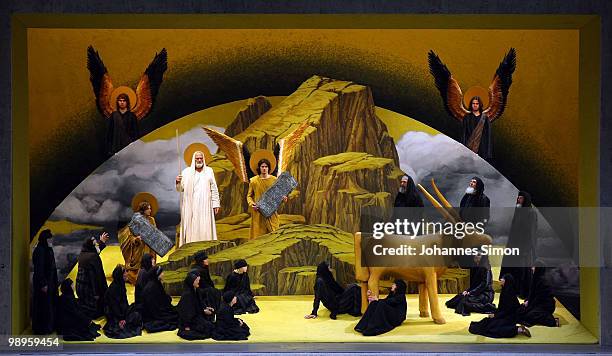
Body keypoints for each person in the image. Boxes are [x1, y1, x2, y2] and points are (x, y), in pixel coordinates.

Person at [176, 151, 221, 245]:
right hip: (191, 205)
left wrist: (216, 203)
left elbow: (214, 188)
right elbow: (180, 189)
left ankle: (206, 245)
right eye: (197, 158)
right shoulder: (186, 172)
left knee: (205, 226)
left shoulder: (209, 171)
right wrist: (177, 182)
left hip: (205, 204)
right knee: (192, 226)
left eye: (201, 158)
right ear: (194, 159)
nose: (199, 160)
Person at [500, 191, 538, 299]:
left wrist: (527, 249)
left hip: (524, 247)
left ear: (525, 200)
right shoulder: (518, 210)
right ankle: (513, 288)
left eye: (520, 198)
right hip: (514, 245)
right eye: (518, 198)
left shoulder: (531, 213)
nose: (518, 200)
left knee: (522, 270)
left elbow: (532, 233)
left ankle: (523, 291)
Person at [469, 274, 531, 338]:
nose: (500, 280)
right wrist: (495, 314)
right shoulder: (505, 291)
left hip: (509, 317)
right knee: (486, 322)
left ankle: (518, 329)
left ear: (507, 281)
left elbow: (508, 311)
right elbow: (502, 308)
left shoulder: (509, 294)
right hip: (503, 315)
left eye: (503, 279)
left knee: (493, 328)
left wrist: (496, 315)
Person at [246, 158, 287, 240]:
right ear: (259, 168)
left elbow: (278, 194)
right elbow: (249, 196)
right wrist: (252, 204)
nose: (264, 168)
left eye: (266, 166)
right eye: (262, 166)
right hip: (258, 212)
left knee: (273, 234)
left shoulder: (274, 180)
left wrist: (283, 198)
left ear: (268, 168)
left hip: (271, 211)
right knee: (258, 236)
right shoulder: (254, 181)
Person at [119, 201, 158, 285]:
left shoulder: (151, 219)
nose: (150, 210)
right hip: (139, 247)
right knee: (137, 267)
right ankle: (133, 278)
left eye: (150, 208)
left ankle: (149, 279)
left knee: (149, 264)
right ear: (143, 210)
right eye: (148, 208)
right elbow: (130, 236)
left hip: (149, 246)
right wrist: (136, 239)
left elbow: (155, 232)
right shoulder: (136, 220)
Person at [103, 265, 142, 339]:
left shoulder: (120, 284)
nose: (127, 274)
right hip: (115, 314)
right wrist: (121, 319)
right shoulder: (115, 288)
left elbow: (124, 301)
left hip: (121, 311)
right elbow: (114, 307)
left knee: (137, 308)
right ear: (120, 275)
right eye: (125, 272)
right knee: (135, 317)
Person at [76, 232, 109, 319]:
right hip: (90, 288)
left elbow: (95, 250)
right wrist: (97, 292)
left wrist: (102, 242)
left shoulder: (83, 254)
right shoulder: (93, 257)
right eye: (95, 243)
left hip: (81, 287)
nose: (97, 244)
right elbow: (96, 277)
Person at [517, 261, 560, 327]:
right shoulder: (536, 279)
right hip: (537, 304)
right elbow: (532, 294)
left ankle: (552, 321)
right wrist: (527, 301)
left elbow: (540, 298)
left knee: (529, 315)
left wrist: (529, 304)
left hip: (545, 306)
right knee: (521, 311)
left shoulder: (544, 282)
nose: (532, 268)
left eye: (534, 267)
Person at [31, 229, 58, 334]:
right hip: (43, 283)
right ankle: (42, 328)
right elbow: (39, 268)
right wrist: (43, 283)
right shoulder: (40, 250)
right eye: (49, 239)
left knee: (47, 305)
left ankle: (47, 327)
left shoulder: (45, 249)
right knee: (43, 305)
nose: (51, 241)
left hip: (48, 282)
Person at [177, 271, 215, 340]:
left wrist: (205, 309)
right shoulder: (187, 295)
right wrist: (186, 325)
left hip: (197, 315)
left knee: (211, 319)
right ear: (192, 282)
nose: (198, 282)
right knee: (208, 328)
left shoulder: (196, 290)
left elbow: (199, 304)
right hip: (191, 319)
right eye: (197, 281)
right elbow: (185, 313)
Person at [141, 266, 179, 332]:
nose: (163, 274)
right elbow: (153, 304)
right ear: (157, 274)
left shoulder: (156, 283)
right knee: (174, 316)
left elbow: (162, 297)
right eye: (161, 273)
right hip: (154, 312)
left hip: (159, 307)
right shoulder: (152, 287)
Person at [462, 96, 492, 162]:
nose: (475, 105)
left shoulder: (485, 118)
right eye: (473, 103)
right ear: (471, 104)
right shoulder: (466, 117)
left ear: (480, 104)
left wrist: (488, 153)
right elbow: (463, 134)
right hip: (469, 147)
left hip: (482, 148)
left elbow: (488, 135)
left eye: (477, 103)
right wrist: (463, 149)